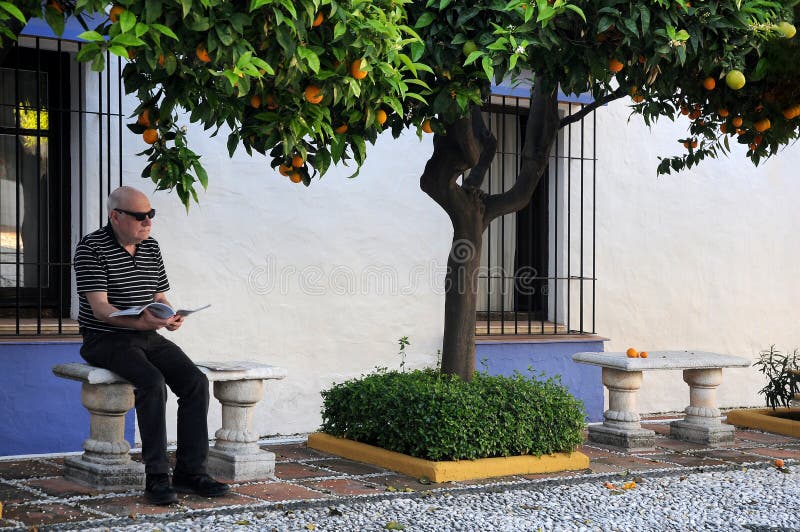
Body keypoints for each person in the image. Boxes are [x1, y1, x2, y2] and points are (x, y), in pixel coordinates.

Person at [73, 186, 228, 505]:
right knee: (153, 383)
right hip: (104, 338)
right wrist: (140, 323)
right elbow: (101, 309)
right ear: (115, 216)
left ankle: (190, 472)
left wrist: (170, 316)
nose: (148, 223)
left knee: (195, 382)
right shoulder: (91, 248)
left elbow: (158, 296)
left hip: (146, 335)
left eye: (151, 215)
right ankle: (157, 477)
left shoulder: (150, 247)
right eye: (140, 216)